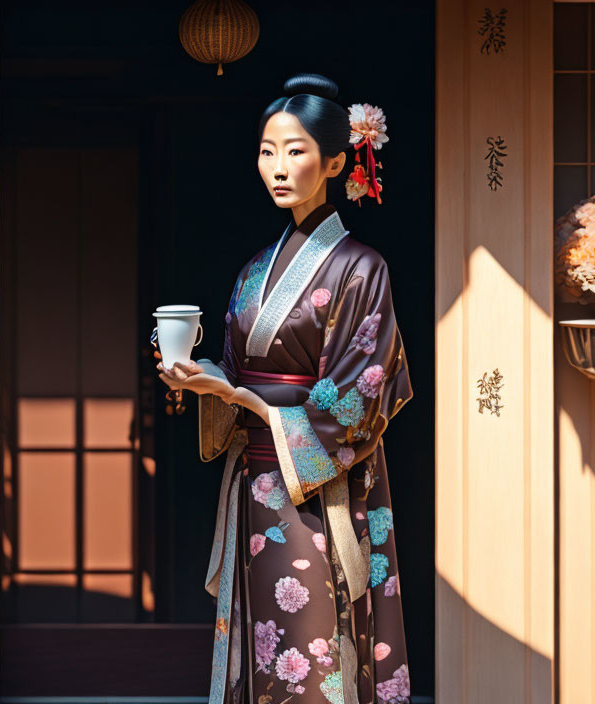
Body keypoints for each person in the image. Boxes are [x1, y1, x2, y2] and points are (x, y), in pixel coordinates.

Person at [157, 73, 413, 704]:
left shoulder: (362, 267)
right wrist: (204, 379)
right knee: (259, 646)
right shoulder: (254, 270)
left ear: (334, 162)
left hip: (318, 491)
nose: (278, 166)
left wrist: (247, 402)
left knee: (312, 644)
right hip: (256, 491)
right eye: (268, 151)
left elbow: (357, 399)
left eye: (295, 151)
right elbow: (238, 373)